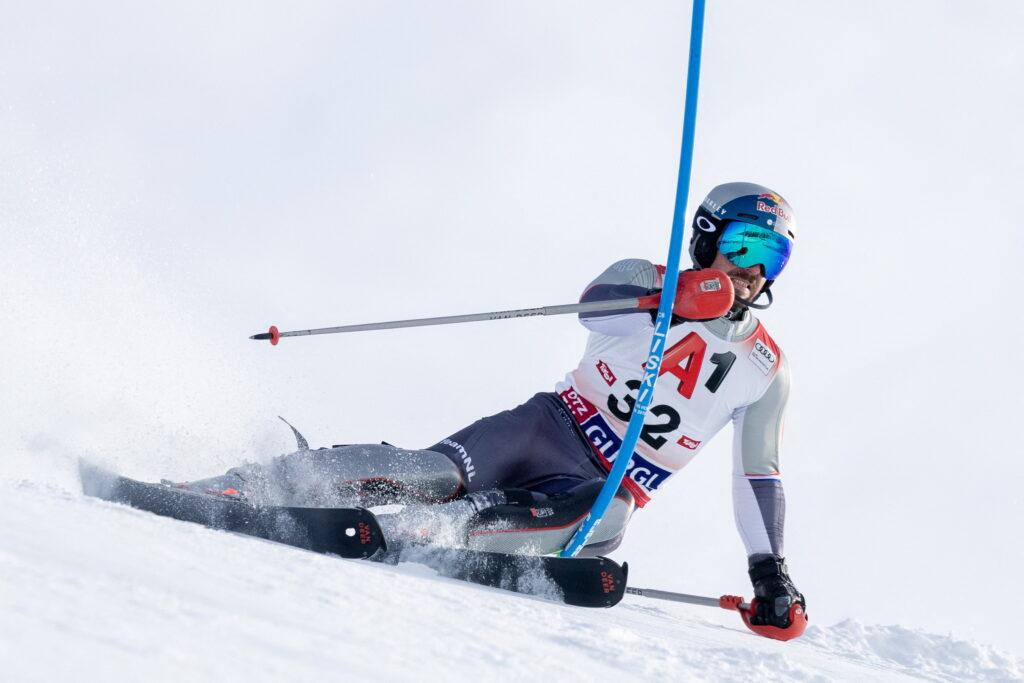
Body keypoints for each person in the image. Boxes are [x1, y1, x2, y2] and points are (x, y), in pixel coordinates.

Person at [177, 181, 805, 628]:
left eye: (771, 257)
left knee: (610, 516)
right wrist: (676, 297)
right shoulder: (647, 279)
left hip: (601, 484)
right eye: (744, 245)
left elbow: (759, 475)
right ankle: (254, 482)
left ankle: (429, 534)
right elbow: (593, 305)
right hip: (543, 429)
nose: (753, 271)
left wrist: (768, 572)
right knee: (431, 475)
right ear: (705, 238)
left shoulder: (764, 369)